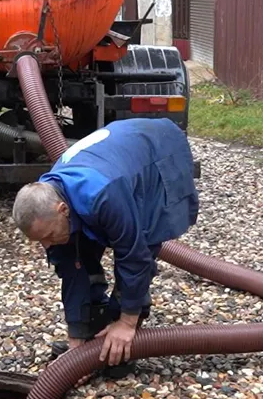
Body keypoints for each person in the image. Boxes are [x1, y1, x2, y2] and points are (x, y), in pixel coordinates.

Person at [11, 117, 199, 377]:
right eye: (39, 240)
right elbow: (71, 267)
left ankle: (124, 337)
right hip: (113, 161)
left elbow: (134, 257)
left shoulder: (104, 196)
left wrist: (126, 321)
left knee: (143, 237)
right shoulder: (48, 200)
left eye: (48, 235)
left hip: (157, 150)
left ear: (63, 209)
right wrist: (77, 336)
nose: (46, 244)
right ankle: (96, 331)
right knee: (77, 252)